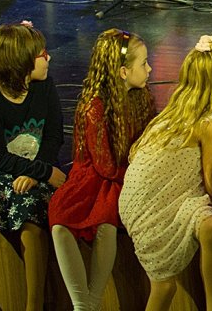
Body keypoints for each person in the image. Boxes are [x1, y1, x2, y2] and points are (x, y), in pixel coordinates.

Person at [117, 34, 212, 311]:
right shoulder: (210, 125)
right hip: (157, 206)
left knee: (207, 227)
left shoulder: (172, 113)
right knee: (164, 285)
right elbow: (210, 183)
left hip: (134, 201)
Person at [50, 29, 157, 311]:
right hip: (97, 175)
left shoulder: (142, 98)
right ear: (123, 72)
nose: (150, 69)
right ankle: (82, 305)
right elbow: (104, 164)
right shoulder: (94, 107)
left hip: (122, 178)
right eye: (144, 63)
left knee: (106, 223)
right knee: (60, 218)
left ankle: (91, 304)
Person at [0, 21, 66, 311]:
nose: (48, 58)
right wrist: (43, 173)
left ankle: (34, 305)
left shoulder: (45, 88)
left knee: (30, 212)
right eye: (42, 54)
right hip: (5, 173)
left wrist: (37, 174)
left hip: (39, 170)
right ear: (21, 61)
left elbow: (54, 138)